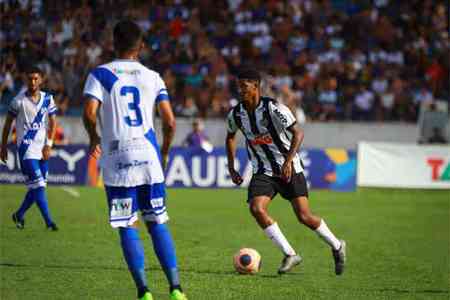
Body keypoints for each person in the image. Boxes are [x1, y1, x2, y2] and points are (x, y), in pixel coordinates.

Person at [82, 20, 187, 300]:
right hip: (148, 156)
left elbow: (90, 112)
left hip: (117, 159)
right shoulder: (152, 77)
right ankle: (176, 289)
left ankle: (144, 292)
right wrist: (163, 150)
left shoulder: (100, 74)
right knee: (156, 221)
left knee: (127, 224)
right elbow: (170, 120)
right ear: (141, 46)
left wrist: (94, 138)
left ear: (113, 43)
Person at [225, 68, 346, 275]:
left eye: (244, 86)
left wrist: (288, 161)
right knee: (256, 208)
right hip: (263, 170)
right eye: (239, 86)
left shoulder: (274, 108)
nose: (240, 90)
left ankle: (337, 246)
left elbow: (298, 133)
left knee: (304, 216)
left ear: (256, 86)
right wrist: (231, 166)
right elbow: (230, 136)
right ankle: (290, 254)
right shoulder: (237, 113)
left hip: (288, 168)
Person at [0, 66, 58, 231]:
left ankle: (18, 215)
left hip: (43, 150)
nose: (32, 82)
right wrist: (3, 146)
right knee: (39, 186)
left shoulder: (48, 99)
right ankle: (49, 222)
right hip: (26, 149)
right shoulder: (18, 101)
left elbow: (53, 122)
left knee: (36, 187)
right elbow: (7, 125)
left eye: (35, 78)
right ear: (25, 80)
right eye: (29, 78)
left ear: (40, 80)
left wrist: (49, 144)